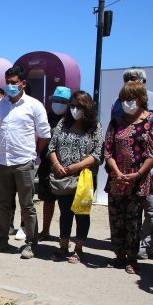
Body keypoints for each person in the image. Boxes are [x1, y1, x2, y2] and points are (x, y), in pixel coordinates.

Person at [110, 68, 153, 259]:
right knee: (124, 211)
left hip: (150, 166)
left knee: (152, 208)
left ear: (144, 82)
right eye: (128, 79)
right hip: (123, 168)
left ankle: (146, 245)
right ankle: (125, 248)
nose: (131, 82)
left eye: (135, 79)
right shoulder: (118, 102)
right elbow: (113, 132)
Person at [0, 65, 51, 258]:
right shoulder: (0, 105)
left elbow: (45, 134)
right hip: (1, 162)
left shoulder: (34, 105)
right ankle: (2, 240)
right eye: (8, 83)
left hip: (24, 162)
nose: (10, 86)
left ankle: (31, 243)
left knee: (27, 205)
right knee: (3, 204)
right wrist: (0, 151)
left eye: (14, 83)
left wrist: (33, 154)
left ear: (23, 83)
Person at [104, 82, 153, 274]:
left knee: (133, 220)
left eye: (131, 98)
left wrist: (137, 174)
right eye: (124, 99)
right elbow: (108, 151)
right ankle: (119, 255)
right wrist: (117, 173)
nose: (128, 103)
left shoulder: (152, 122)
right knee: (116, 218)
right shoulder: (116, 122)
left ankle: (132, 258)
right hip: (117, 179)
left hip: (138, 180)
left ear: (141, 98)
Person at [47, 90, 103, 263]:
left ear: (87, 107)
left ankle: (78, 248)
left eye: (78, 106)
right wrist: (57, 164)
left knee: (81, 213)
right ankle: (63, 246)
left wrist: (76, 167)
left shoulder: (95, 127)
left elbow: (97, 155)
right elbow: (51, 148)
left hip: (83, 178)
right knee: (65, 212)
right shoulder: (63, 123)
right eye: (72, 106)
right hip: (63, 177)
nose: (74, 109)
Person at [37, 86, 71, 241]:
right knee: (48, 200)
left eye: (63, 101)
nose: (59, 104)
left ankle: (66, 236)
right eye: (56, 100)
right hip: (46, 164)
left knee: (66, 203)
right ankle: (45, 231)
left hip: (67, 166)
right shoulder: (44, 117)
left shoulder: (72, 121)